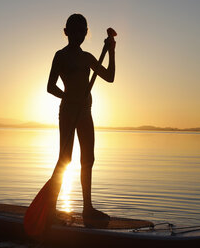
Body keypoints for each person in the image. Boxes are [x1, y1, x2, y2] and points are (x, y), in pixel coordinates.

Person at [46, 13, 116, 225]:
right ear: (66, 32)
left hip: (85, 112)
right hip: (68, 112)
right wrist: (68, 96)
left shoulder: (87, 57)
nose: (77, 34)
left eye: (81, 30)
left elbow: (110, 77)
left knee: (88, 159)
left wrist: (111, 51)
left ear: (86, 33)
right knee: (65, 158)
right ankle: (50, 208)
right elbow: (50, 86)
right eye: (73, 30)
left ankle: (88, 209)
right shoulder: (60, 56)